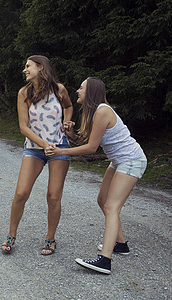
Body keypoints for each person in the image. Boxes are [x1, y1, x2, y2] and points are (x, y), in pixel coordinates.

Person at [45, 77, 147, 274]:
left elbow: (91, 148)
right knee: (102, 200)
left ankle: (105, 260)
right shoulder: (95, 112)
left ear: (90, 91)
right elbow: (88, 141)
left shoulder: (102, 111)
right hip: (119, 161)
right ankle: (121, 244)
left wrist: (60, 152)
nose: (77, 91)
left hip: (131, 160)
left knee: (111, 206)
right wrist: (71, 134)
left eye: (81, 88)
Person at [1, 55, 73, 255]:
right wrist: (43, 144)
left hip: (59, 148)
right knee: (21, 193)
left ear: (41, 67)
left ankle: (50, 238)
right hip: (34, 148)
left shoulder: (59, 90)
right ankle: (11, 235)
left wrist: (67, 122)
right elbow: (23, 127)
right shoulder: (24, 93)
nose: (24, 70)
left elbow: (68, 106)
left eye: (28, 66)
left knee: (53, 196)